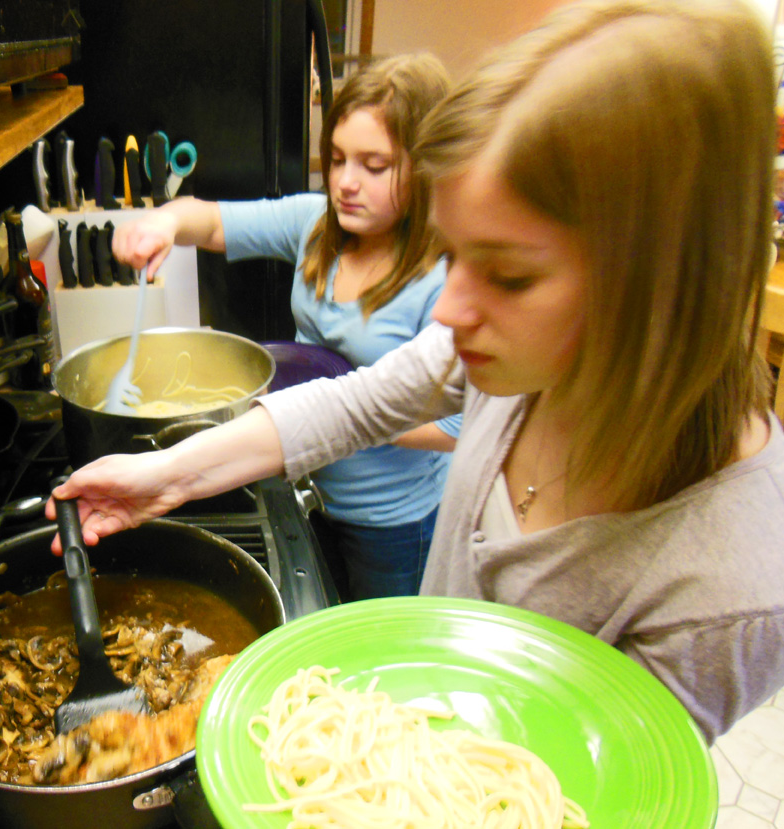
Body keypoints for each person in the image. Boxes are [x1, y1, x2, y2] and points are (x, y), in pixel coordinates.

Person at [50, 0, 784, 744]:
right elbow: (352, 406)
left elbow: (600, 791)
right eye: (455, 254)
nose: (453, 307)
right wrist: (167, 475)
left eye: (507, 273)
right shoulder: (509, 353)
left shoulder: (735, 586)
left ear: (662, 282)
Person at [111, 53, 462, 600]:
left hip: (391, 523)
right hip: (308, 484)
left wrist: (337, 404)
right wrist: (165, 221)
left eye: (374, 166)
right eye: (339, 158)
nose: (346, 182)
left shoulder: (443, 279)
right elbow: (212, 221)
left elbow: (454, 430)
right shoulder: (315, 225)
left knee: (374, 657)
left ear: (424, 166)